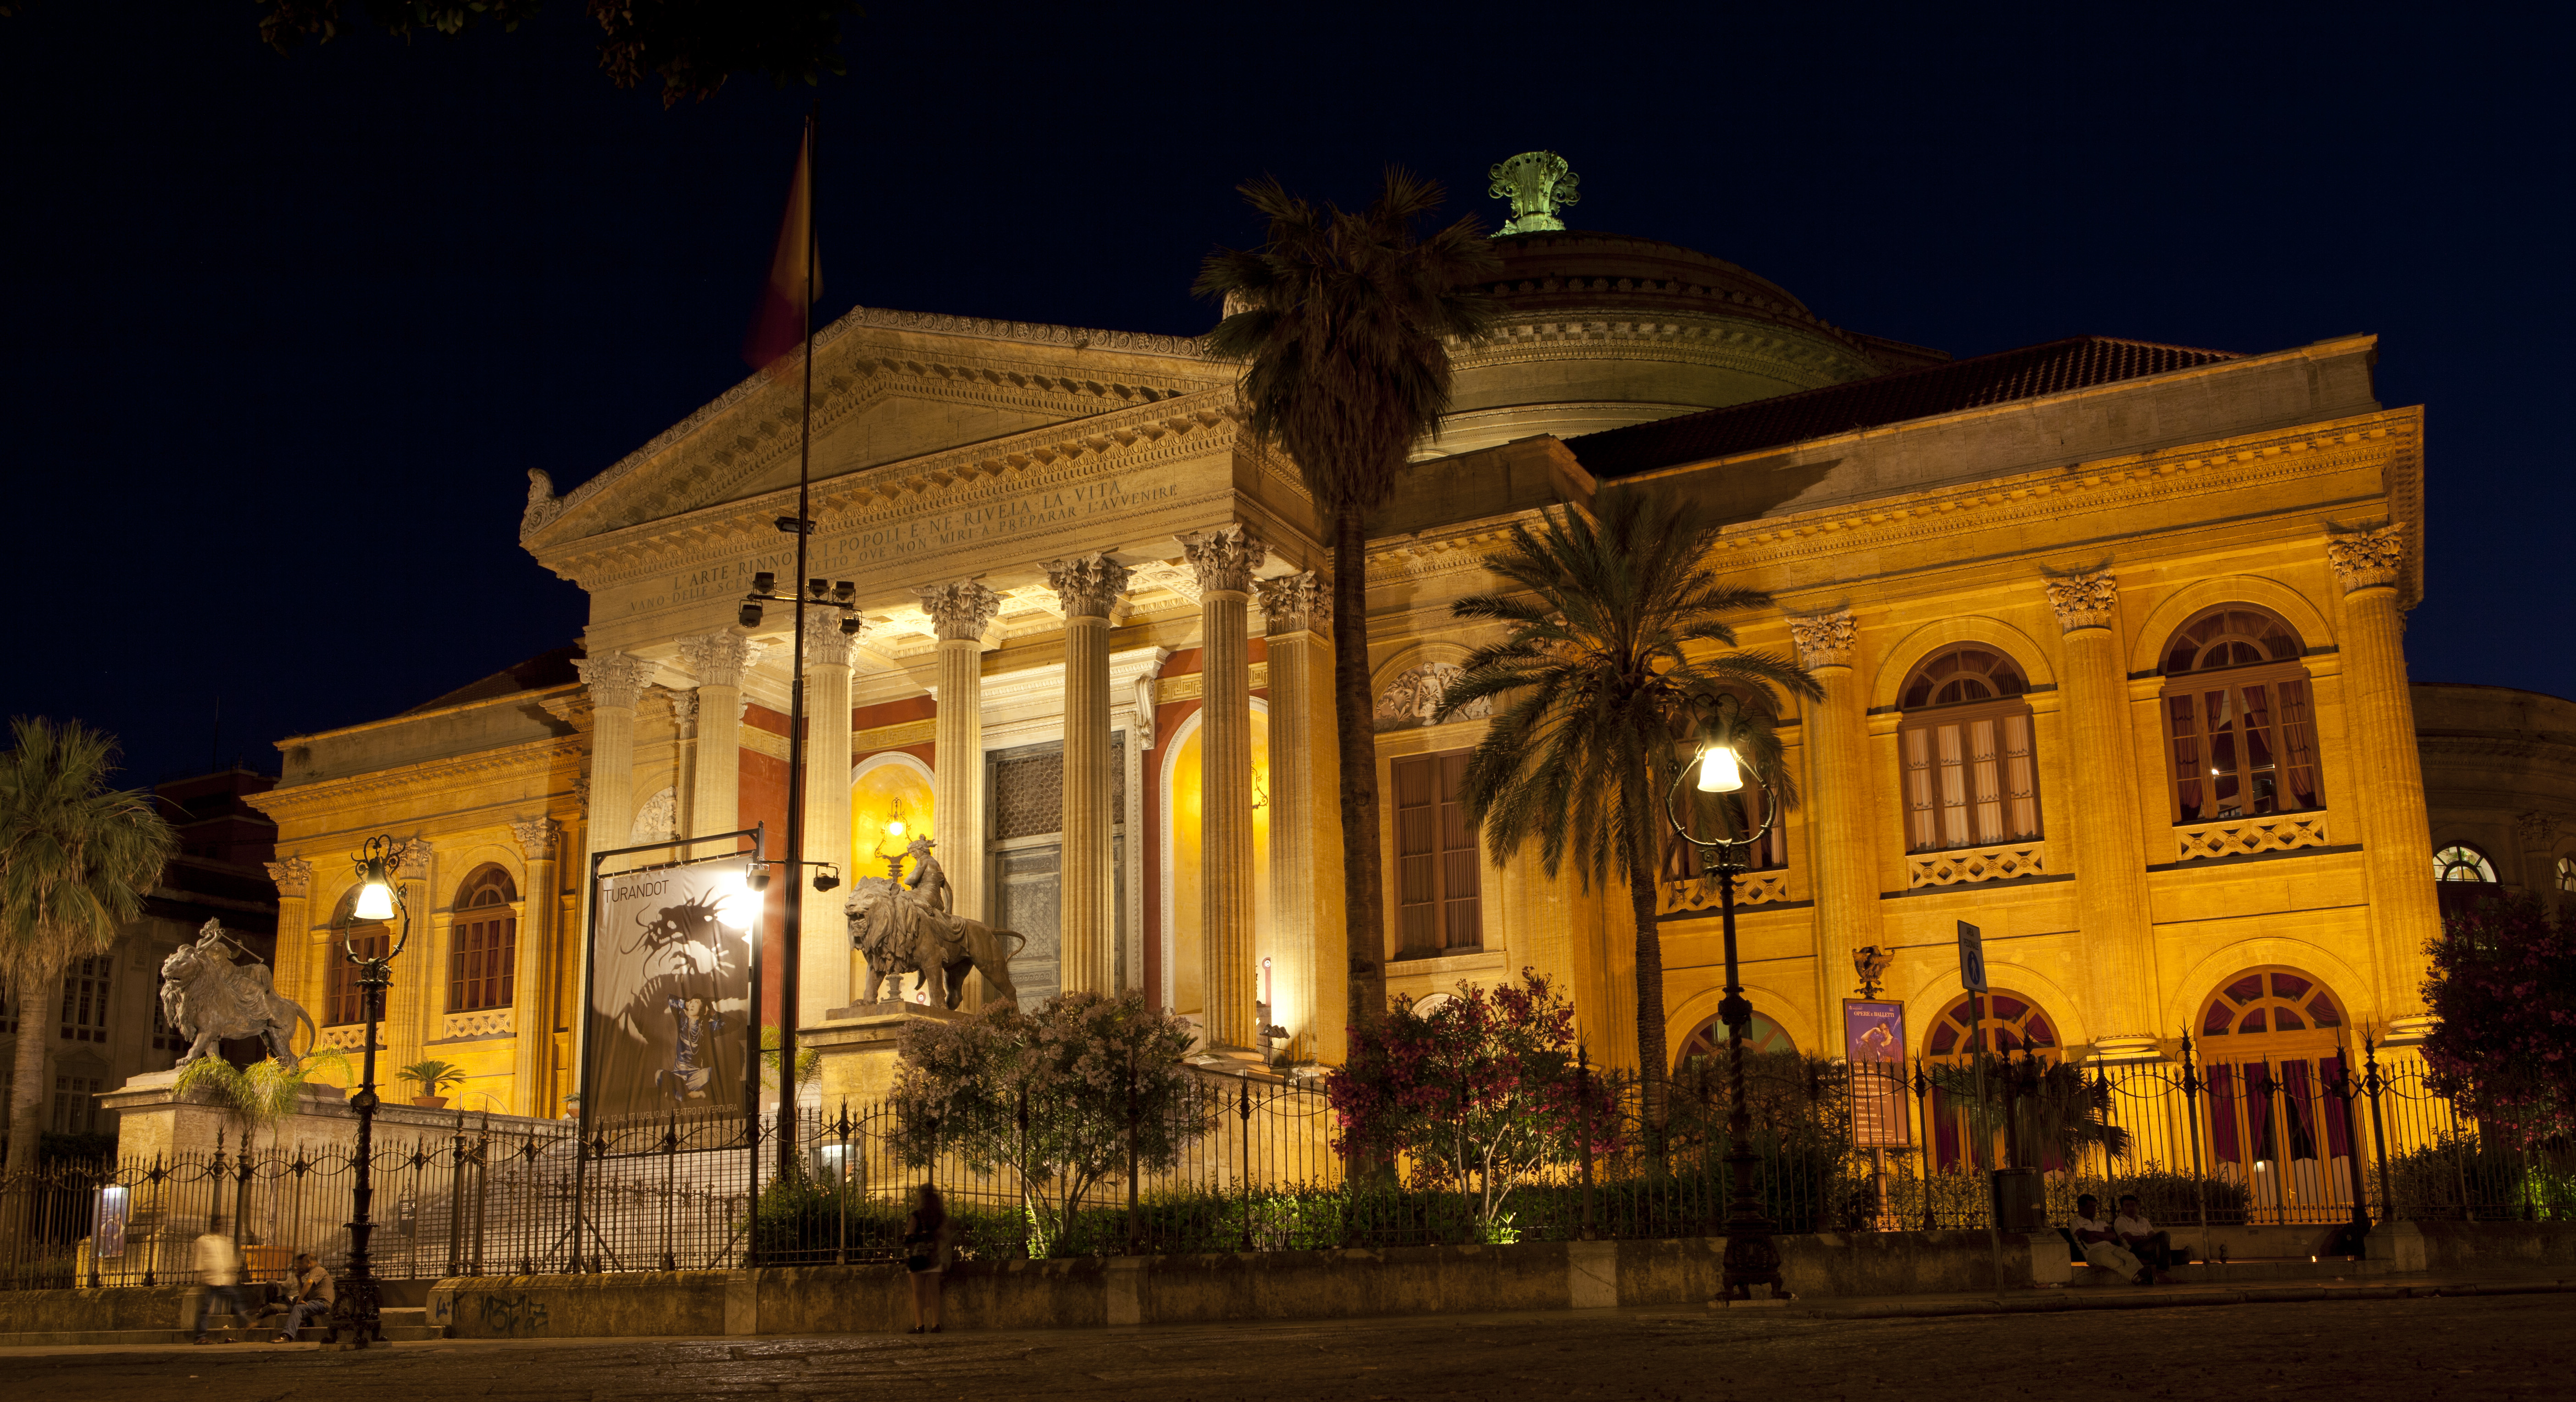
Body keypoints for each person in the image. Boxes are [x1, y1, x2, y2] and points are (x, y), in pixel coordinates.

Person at [902, 1182, 954, 1334]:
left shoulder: (917, 1215)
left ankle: (920, 1325)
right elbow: (946, 1235)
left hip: (917, 1259)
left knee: (918, 1293)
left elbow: (909, 1235)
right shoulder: (940, 1216)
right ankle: (936, 1324)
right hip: (934, 1257)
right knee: (934, 1292)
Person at [2071, 1194, 2151, 1285]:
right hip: (2093, 1252)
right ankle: (2135, 1278)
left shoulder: (2101, 1223)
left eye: (2095, 1207)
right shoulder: (2076, 1223)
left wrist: (2095, 1234)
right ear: (2082, 1208)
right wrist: (2104, 1236)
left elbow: (2113, 1237)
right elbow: (2088, 1239)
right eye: (2091, 1207)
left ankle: (2143, 1274)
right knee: (2115, 1262)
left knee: (2129, 1256)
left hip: (2110, 1247)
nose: (2094, 1209)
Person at [188, 1223, 246, 1343]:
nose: (219, 1227)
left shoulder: (224, 1241)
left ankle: (244, 1323)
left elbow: (228, 1260)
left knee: (236, 1299)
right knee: (205, 1309)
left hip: (223, 1280)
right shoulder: (203, 1241)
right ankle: (200, 1336)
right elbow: (198, 1261)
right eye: (217, 1224)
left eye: (220, 1225)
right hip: (211, 1280)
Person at [2113, 1194, 2182, 1280]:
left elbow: (2153, 1236)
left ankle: (2150, 1260)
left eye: (2133, 1205)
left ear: (2137, 1206)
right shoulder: (2121, 1221)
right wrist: (2145, 1238)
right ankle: (2160, 1272)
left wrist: (2148, 1239)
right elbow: (2131, 1240)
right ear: (2122, 1209)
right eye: (2127, 1206)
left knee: (2185, 1255)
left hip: (2149, 1248)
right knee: (2164, 1235)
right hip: (2135, 1249)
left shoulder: (2143, 1220)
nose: (2131, 1208)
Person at [273, 1252, 335, 1342]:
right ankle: (307, 1321)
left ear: (309, 1262)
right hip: (315, 1302)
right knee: (295, 1300)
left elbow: (309, 1283)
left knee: (299, 1307)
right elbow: (303, 1293)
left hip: (323, 1303)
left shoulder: (318, 1270)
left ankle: (287, 1335)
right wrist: (298, 1278)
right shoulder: (313, 1272)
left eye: (302, 1264)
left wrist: (300, 1300)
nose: (300, 1267)